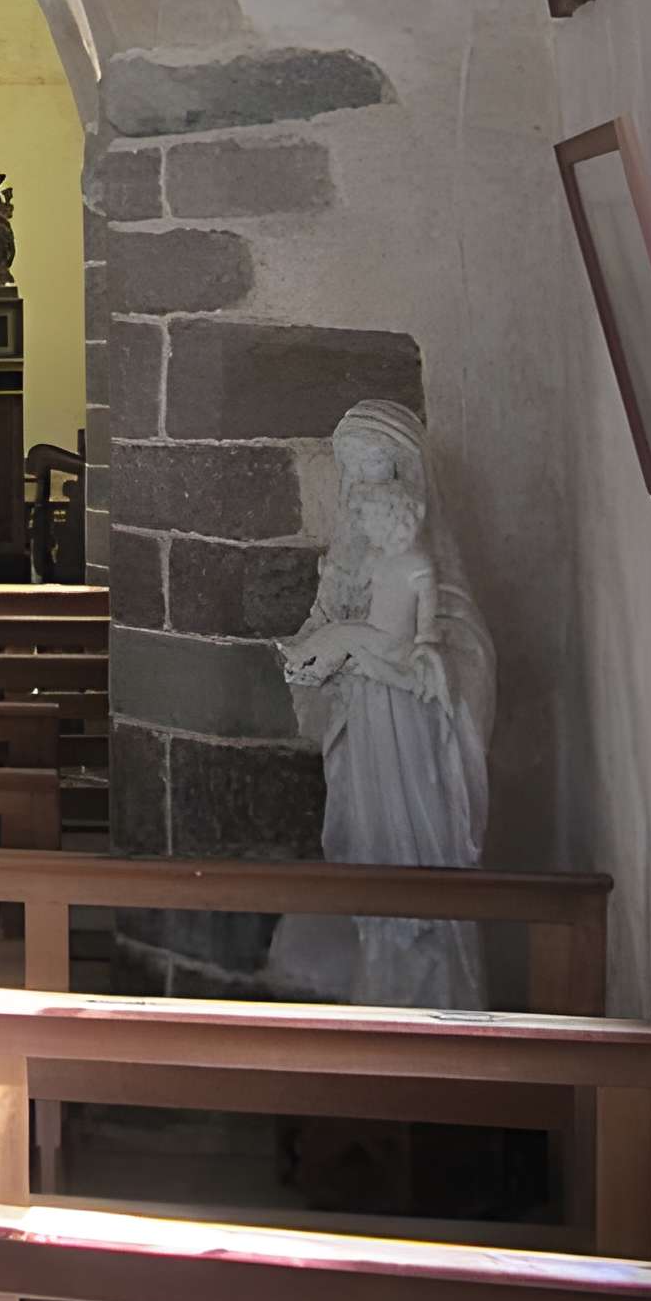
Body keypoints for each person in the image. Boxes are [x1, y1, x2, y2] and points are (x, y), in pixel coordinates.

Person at [268, 401, 498, 1007]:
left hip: (413, 752)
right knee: (368, 867)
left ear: (406, 479)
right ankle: (380, 991)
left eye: (376, 474)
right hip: (365, 737)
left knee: (415, 877)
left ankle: (432, 997)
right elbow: (327, 622)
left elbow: (454, 659)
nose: (362, 494)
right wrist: (315, 657)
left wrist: (372, 653)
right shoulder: (349, 560)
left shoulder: (430, 576)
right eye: (353, 477)